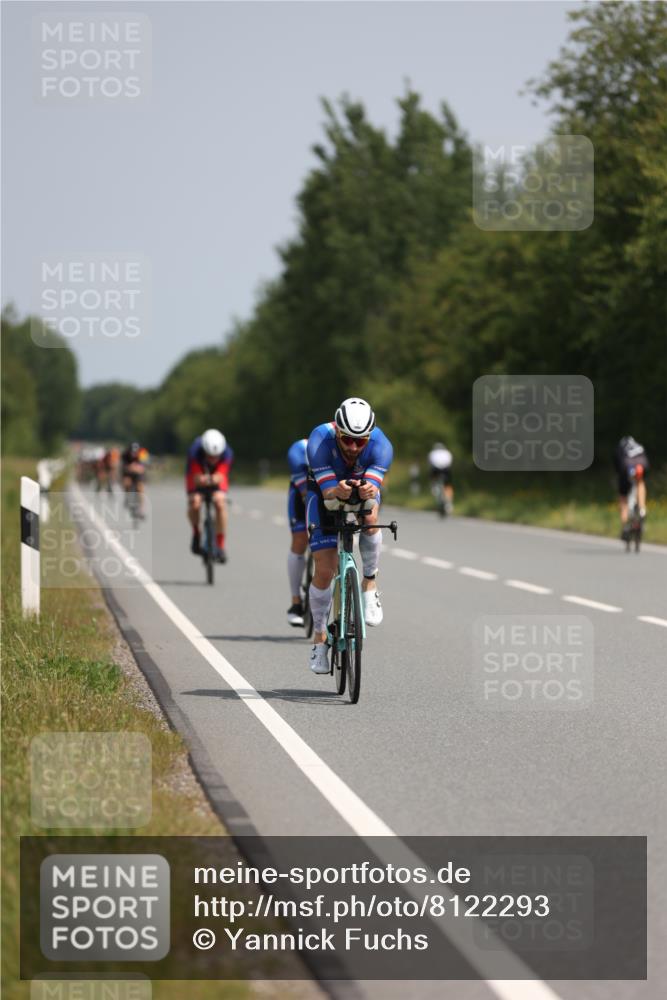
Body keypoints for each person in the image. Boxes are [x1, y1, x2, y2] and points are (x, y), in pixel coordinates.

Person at [306, 397, 393, 674]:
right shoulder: (319, 440)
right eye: (347, 440)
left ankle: (369, 584)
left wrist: (368, 490)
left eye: (361, 441)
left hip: (359, 487)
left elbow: (373, 489)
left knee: (370, 517)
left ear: (369, 437)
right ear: (337, 431)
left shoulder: (382, 445)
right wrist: (336, 491)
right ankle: (319, 637)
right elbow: (330, 495)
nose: (354, 447)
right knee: (324, 570)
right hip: (323, 492)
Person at [185, 428, 233, 562]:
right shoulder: (194, 451)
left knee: (220, 502)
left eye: (216, 456)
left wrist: (213, 479)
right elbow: (195, 478)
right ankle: (196, 533)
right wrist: (202, 480)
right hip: (196, 475)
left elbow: (221, 475)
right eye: (210, 456)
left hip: (215, 477)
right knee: (195, 502)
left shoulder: (227, 453)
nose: (213, 459)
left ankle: (221, 545)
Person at [286, 438, 309, 627]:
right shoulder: (298, 452)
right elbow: (306, 495)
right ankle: (295, 601)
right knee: (300, 539)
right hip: (303, 494)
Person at [613, 436, 649, 540]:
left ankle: (624, 527)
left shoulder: (619, 448)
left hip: (627, 465)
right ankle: (642, 509)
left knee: (623, 498)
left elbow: (617, 468)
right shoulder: (639, 445)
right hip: (642, 464)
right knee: (640, 482)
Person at [121, 442, 149, 517]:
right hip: (128, 471)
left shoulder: (143, 453)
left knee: (140, 488)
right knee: (126, 482)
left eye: (135, 453)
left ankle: (141, 510)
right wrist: (129, 468)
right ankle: (127, 496)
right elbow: (123, 467)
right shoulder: (125, 454)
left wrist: (139, 468)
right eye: (132, 453)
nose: (134, 454)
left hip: (139, 472)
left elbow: (145, 465)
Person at [428, 442, 454, 514]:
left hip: (436, 470)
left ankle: (434, 487)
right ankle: (449, 503)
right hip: (446, 470)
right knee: (448, 485)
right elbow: (450, 463)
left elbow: (430, 463)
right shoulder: (447, 452)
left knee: (432, 477)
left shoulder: (432, 453)